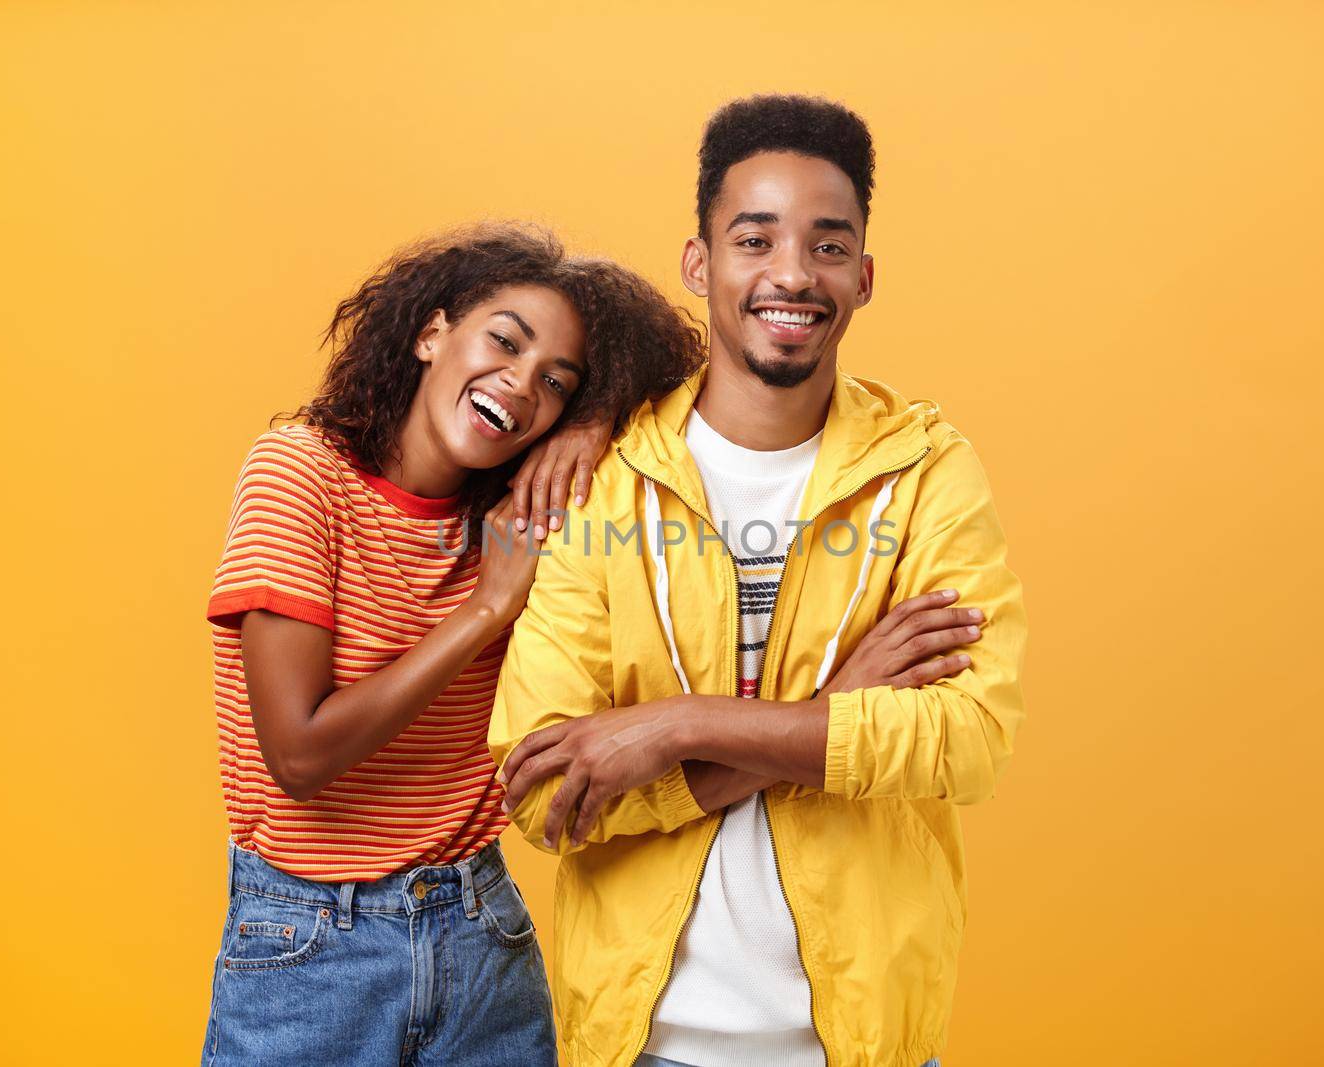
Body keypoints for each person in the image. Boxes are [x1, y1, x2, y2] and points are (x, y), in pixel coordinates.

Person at [492, 95, 1028, 1066]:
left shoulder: (925, 472)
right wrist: (835, 709)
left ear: (862, 277)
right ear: (700, 264)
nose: (791, 273)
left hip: (862, 1043)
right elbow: (544, 786)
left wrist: (672, 725)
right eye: (754, 238)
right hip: (641, 1042)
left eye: (827, 246)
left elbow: (966, 738)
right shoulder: (606, 477)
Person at [200, 223, 703, 1066]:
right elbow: (298, 751)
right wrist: (486, 609)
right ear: (432, 334)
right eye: (504, 341)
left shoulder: (521, 516)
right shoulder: (300, 473)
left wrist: (599, 420)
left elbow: (708, 395)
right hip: (309, 946)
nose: (520, 382)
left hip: (483, 935)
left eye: (556, 381)